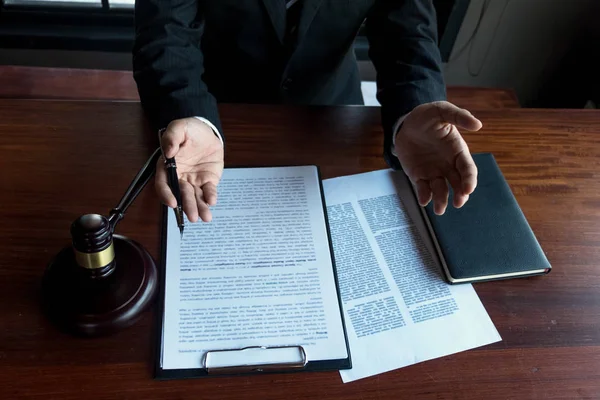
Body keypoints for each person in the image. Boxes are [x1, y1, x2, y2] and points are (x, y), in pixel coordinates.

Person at [132, 0, 483, 223]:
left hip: (330, 113)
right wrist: (190, 112)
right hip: (217, 114)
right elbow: (166, 34)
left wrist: (413, 109)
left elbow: (408, 34)